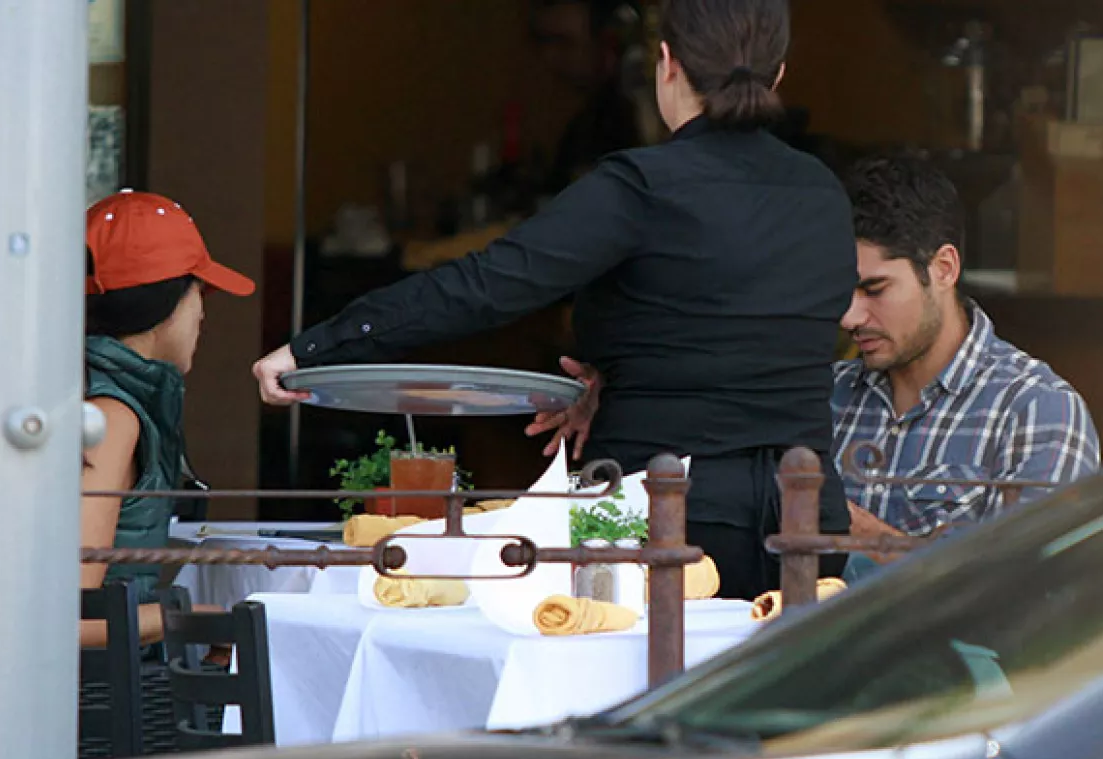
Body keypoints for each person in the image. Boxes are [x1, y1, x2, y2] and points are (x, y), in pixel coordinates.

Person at [253, 0, 857, 601]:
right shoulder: (824, 194)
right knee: (781, 695)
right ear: (777, 74)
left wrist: (316, 347)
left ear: (667, 63)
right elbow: (762, 331)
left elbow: (487, 285)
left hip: (667, 515)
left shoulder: (641, 186)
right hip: (806, 517)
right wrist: (626, 375)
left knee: (638, 689)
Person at [832, 154, 1101, 560]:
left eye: (875, 289)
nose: (850, 317)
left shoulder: (1036, 411)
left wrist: (867, 538)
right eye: (842, 291)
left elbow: (1030, 590)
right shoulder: (826, 394)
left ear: (943, 268)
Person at [82, 190, 255, 647]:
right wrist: (195, 618)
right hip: (94, 705)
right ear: (164, 304)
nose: (203, 313)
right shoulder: (109, 417)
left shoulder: (98, 393)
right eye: (201, 292)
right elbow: (67, 619)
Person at [533, 0, 645, 193]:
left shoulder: (634, 122)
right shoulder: (582, 127)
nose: (549, 56)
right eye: (544, 42)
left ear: (607, 43)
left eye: (564, 42)